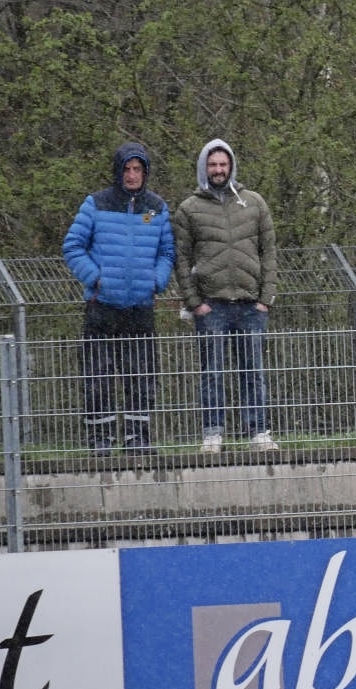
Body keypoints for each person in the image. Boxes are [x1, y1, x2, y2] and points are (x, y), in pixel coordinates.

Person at [62, 141, 175, 457]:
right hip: (102, 306)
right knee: (97, 375)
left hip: (140, 306)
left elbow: (167, 252)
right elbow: (72, 246)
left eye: (137, 169)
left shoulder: (157, 208)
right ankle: (101, 438)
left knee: (142, 375)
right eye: (126, 169)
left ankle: (137, 437)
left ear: (145, 172)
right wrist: (96, 278)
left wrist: (156, 281)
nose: (132, 175)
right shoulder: (95, 204)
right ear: (118, 171)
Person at [172, 138, 279, 454]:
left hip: (250, 304)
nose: (218, 170)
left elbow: (269, 252)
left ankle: (258, 432)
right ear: (203, 167)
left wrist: (265, 298)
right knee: (212, 373)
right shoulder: (188, 209)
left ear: (231, 166)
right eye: (213, 164)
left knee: (253, 372)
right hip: (211, 306)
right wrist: (195, 303)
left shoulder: (254, 203)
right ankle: (212, 434)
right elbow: (181, 258)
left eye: (223, 164)